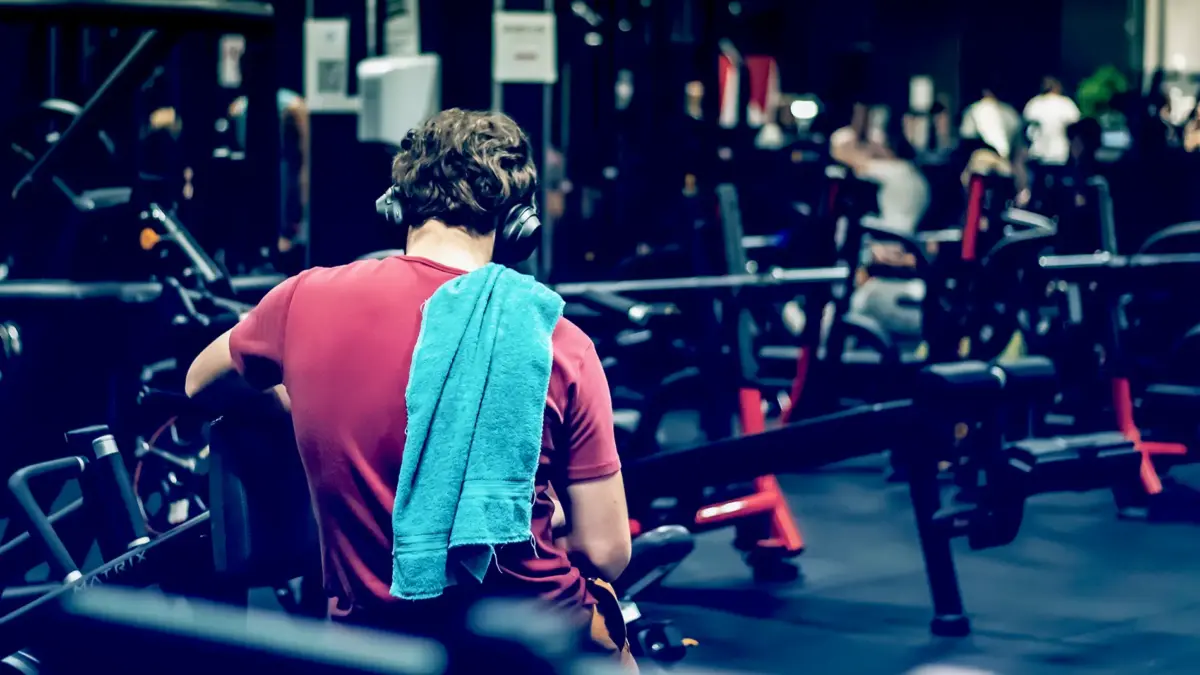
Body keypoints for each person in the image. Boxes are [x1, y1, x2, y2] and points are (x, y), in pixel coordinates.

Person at [183, 109, 633, 662]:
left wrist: (292, 403)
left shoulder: (302, 300)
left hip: (370, 648)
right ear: (519, 223)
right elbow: (606, 551)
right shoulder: (556, 339)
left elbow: (200, 384)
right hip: (527, 646)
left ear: (397, 202)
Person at [830, 104, 931, 340]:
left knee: (861, 301)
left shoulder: (892, 173)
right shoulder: (915, 175)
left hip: (895, 267)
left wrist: (849, 143)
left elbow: (843, 155)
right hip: (901, 260)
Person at [1022, 76, 1081, 166]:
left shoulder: (1034, 103)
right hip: (1059, 152)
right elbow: (1075, 126)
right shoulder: (1066, 104)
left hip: (1038, 152)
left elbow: (1026, 125)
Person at [960, 86, 1021, 159]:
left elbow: (996, 141)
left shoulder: (985, 108)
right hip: (994, 156)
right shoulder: (1009, 110)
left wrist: (1002, 158)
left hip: (990, 157)